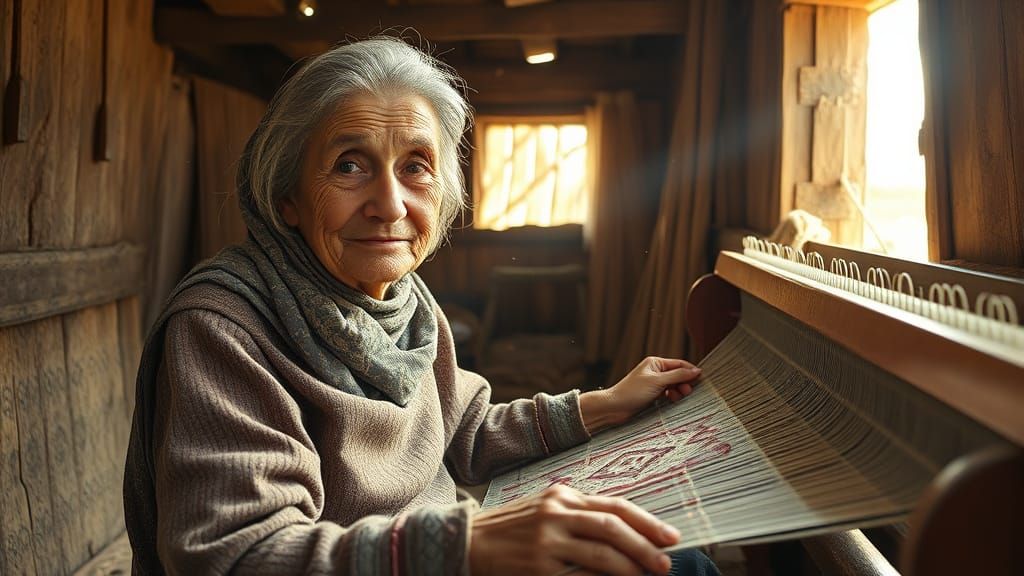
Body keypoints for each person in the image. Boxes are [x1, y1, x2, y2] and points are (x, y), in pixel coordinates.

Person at [124, 37, 719, 576]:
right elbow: (235, 555)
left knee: (678, 561)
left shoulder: (408, 304)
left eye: (415, 167)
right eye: (349, 165)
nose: (390, 205)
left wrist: (604, 404)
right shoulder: (226, 328)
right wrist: (462, 546)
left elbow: (465, 431)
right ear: (288, 198)